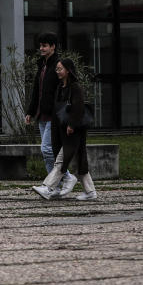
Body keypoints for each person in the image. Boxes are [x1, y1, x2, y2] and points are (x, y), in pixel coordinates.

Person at [24, 33, 78, 198]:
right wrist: (31, 112)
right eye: (40, 45)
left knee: (47, 149)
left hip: (53, 114)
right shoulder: (42, 65)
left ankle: (67, 177)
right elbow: (37, 91)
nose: (41, 48)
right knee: (47, 152)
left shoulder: (58, 65)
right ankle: (54, 187)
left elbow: (63, 89)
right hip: (42, 114)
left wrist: (61, 111)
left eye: (45, 45)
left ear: (53, 46)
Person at [38, 57, 97, 201]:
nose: (58, 71)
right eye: (57, 69)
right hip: (62, 129)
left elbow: (78, 107)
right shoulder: (60, 88)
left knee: (61, 160)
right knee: (79, 161)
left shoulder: (75, 87)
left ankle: (48, 187)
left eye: (60, 69)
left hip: (73, 131)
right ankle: (90, 192)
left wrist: (72, 124)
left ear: (68, 71)